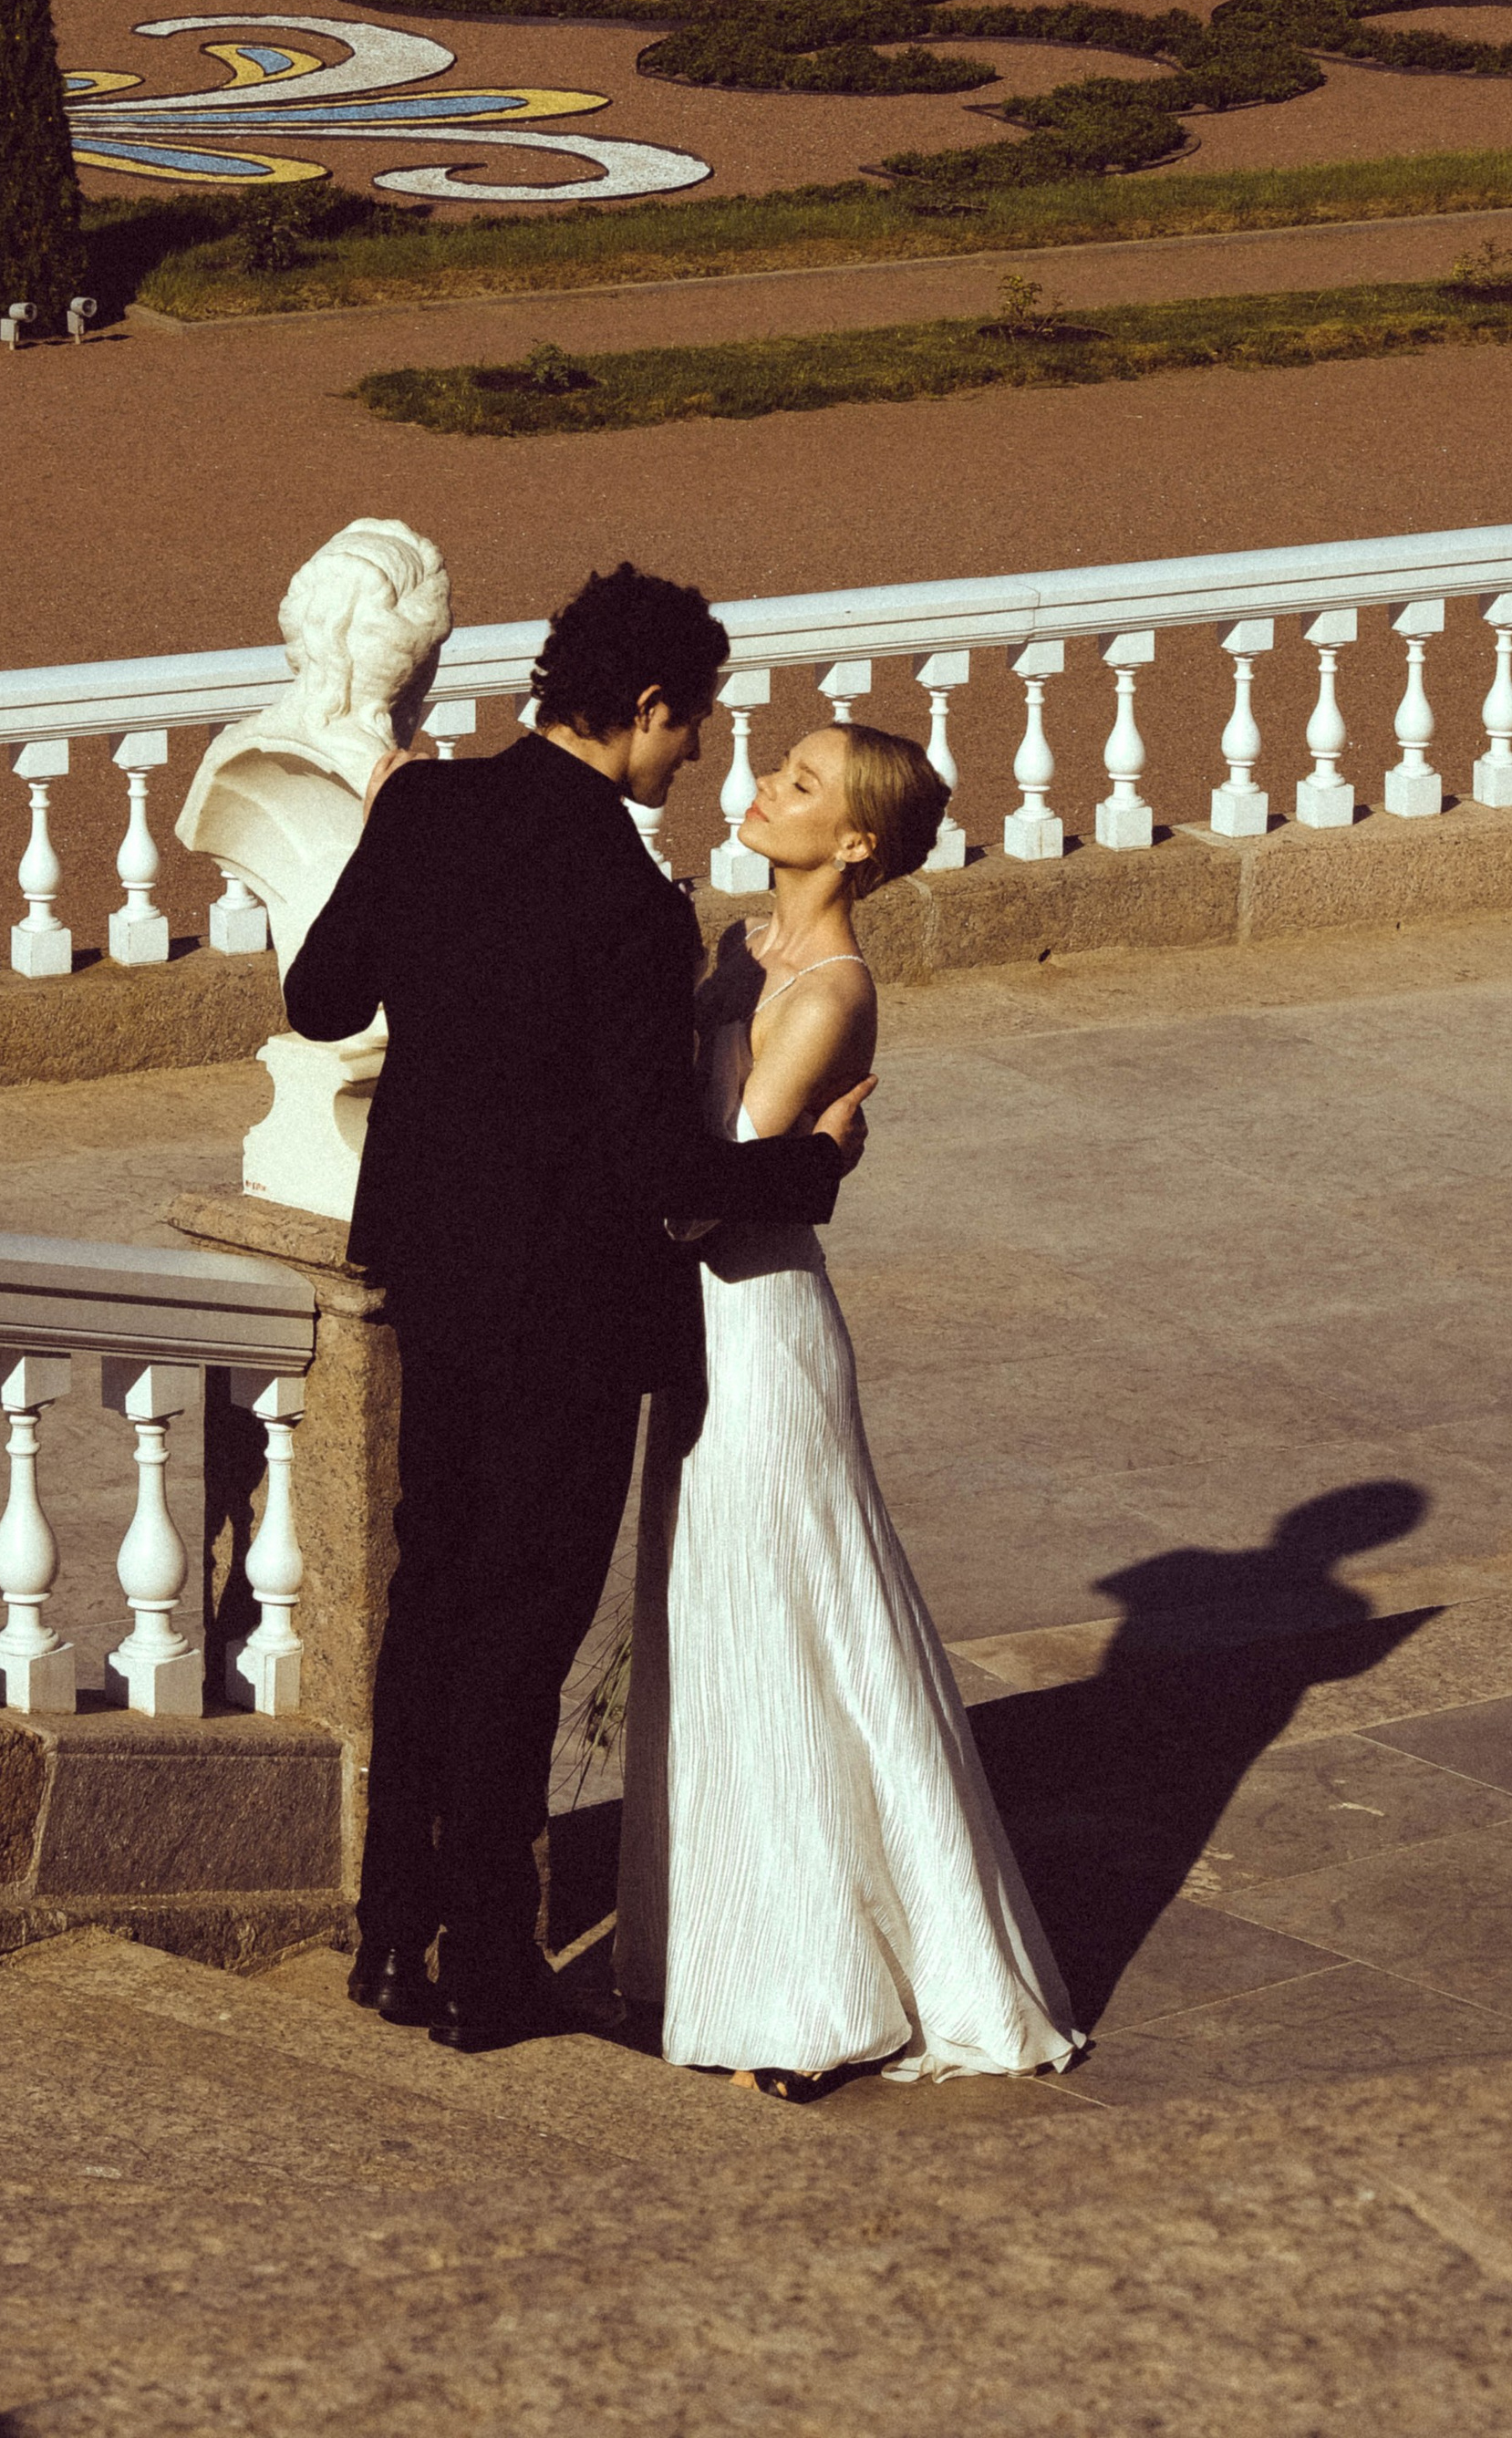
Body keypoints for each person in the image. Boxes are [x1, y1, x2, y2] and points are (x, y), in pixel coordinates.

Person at [285, 563, 874, 2054]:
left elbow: (321, 1002)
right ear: (653, 705)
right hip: (565, 1312)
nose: (694, 757)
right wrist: (815, 1166)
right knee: (520, 1629)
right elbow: (664, 1167)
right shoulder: (626, 901)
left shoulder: (423, 811)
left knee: (430, 1597)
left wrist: (386, 845)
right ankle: (487, 1960)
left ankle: (389, 1936)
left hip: (433, 1273)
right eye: (696, 727)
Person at [616, 721, 1081, 2094]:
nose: (765, 786)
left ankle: (817, 1993)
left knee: (788, 1630)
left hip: (761, 1336)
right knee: (714, 1625)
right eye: (778, 769)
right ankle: (728, 1950)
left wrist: (806, 1154)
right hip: (706, 1330)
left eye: (803, 786)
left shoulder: (826, 991)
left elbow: (705, 1189)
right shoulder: (734, 956)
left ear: (859, 842)